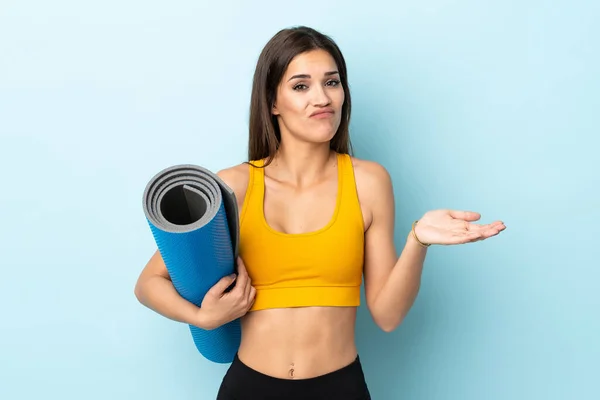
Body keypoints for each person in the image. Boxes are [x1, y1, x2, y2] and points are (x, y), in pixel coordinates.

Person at [134, 26, 506, 399]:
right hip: (249, 387)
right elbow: (148, 284)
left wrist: (417, 241)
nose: (322, 98)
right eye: (301, 86)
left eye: (332, 82)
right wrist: (204, 318)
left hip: (339, 387)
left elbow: (388, 316)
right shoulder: (234, 186)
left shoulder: (368, 182)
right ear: (273, 101)